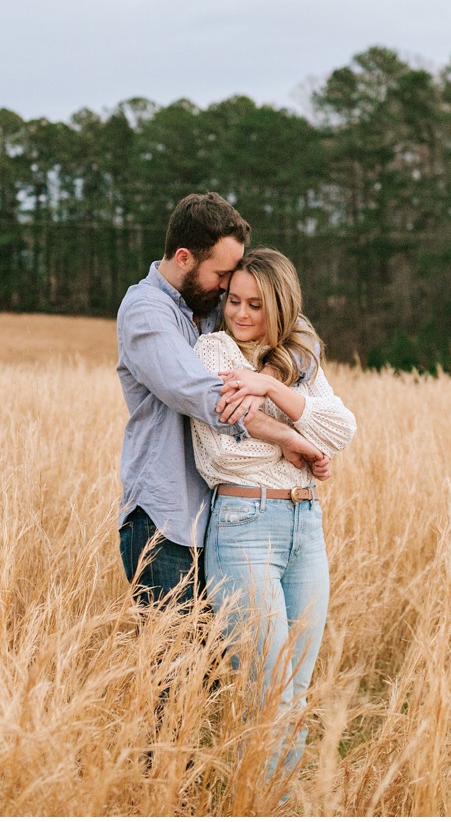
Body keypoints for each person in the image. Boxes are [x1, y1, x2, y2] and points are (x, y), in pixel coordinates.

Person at [115, 195, 330, 609]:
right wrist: (286, 436)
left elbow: (300, 335)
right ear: (184, 258)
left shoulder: (211, 304)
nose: (229, 286)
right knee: (176, 669)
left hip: (227, 521)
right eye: (222, 274)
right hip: (166, 522)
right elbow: (206, 396)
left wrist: (265, 379)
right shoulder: (145, 311)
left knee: (221, 671)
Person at [190, 248, 356, 773]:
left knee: (295, 690)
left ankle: (276, 804)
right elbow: (225, 450)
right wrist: (293, 438)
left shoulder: (297, 362)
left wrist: (269, 387)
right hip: (244, 525)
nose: (240, 314)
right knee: (267, 690)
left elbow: (341, 431)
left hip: (307, 527)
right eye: (233, 301)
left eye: (255, 305)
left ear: (280, 307)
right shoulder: (213, 350)